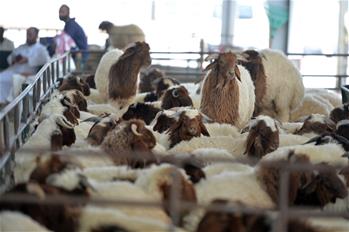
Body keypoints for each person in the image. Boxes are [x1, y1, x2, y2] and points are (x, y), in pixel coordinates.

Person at [0, 27, 50, 104]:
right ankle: (2, 102)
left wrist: (28, 59)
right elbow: (10, 58)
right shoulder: (21, 47)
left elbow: (46, 61)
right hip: (13, 70)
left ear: (36, 36)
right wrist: (14, 60)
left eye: (30, 34)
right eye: (27, 34)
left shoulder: (41, 49)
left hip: (29, 73)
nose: (28, 36)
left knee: (14, 80)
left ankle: (9, 104)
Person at [59, 4, 88, 69]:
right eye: (59, 12)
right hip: (78, 54)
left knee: (77, 75)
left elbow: (66, 41)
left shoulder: (71, 25)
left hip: (80, 55)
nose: (60, 14)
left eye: (63, 12)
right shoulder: (69, 25)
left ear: (68, 13)